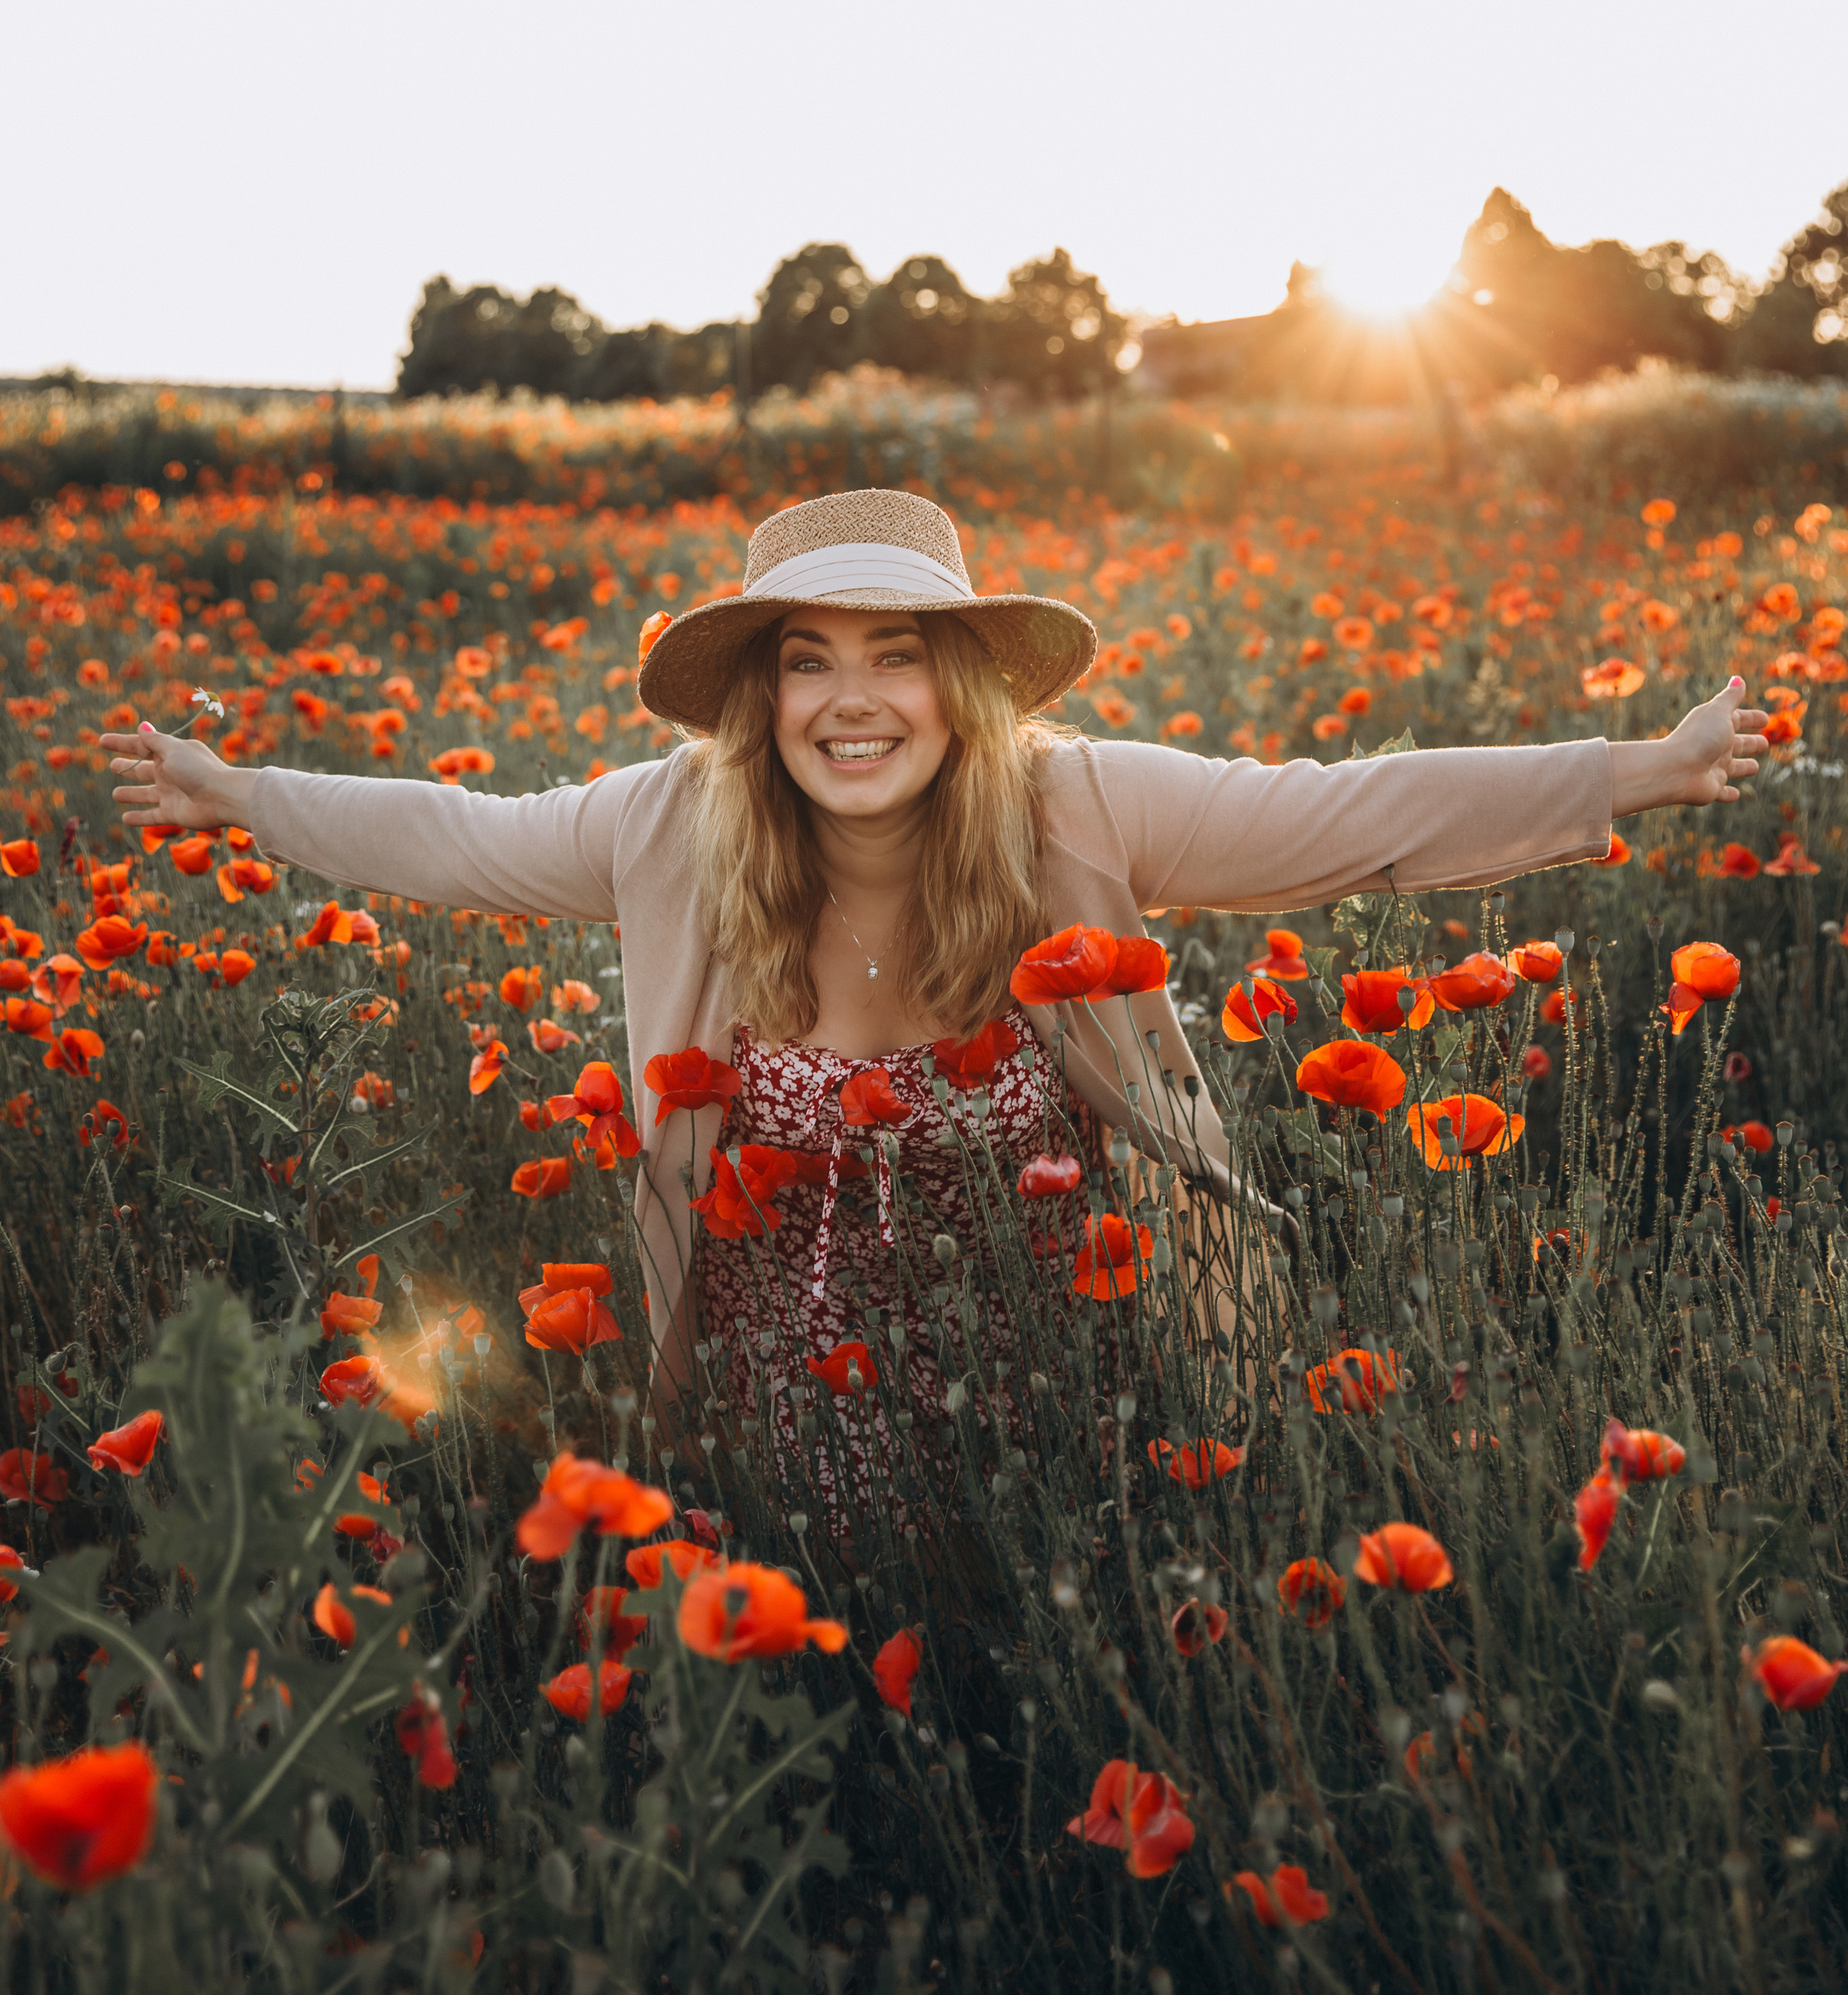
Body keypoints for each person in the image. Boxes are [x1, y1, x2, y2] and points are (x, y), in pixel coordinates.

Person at [105, 486, 1766, 1503]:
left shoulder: (1077, 808)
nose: (851, 701)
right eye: (808, 658)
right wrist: (235, 791)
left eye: (894, 654)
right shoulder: (667, 826)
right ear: (759, 696)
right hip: (778, 1409)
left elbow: (1349, 811)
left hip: (1062, 1387)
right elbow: (447, 833)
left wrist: (1638, 767)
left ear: (958, 683)